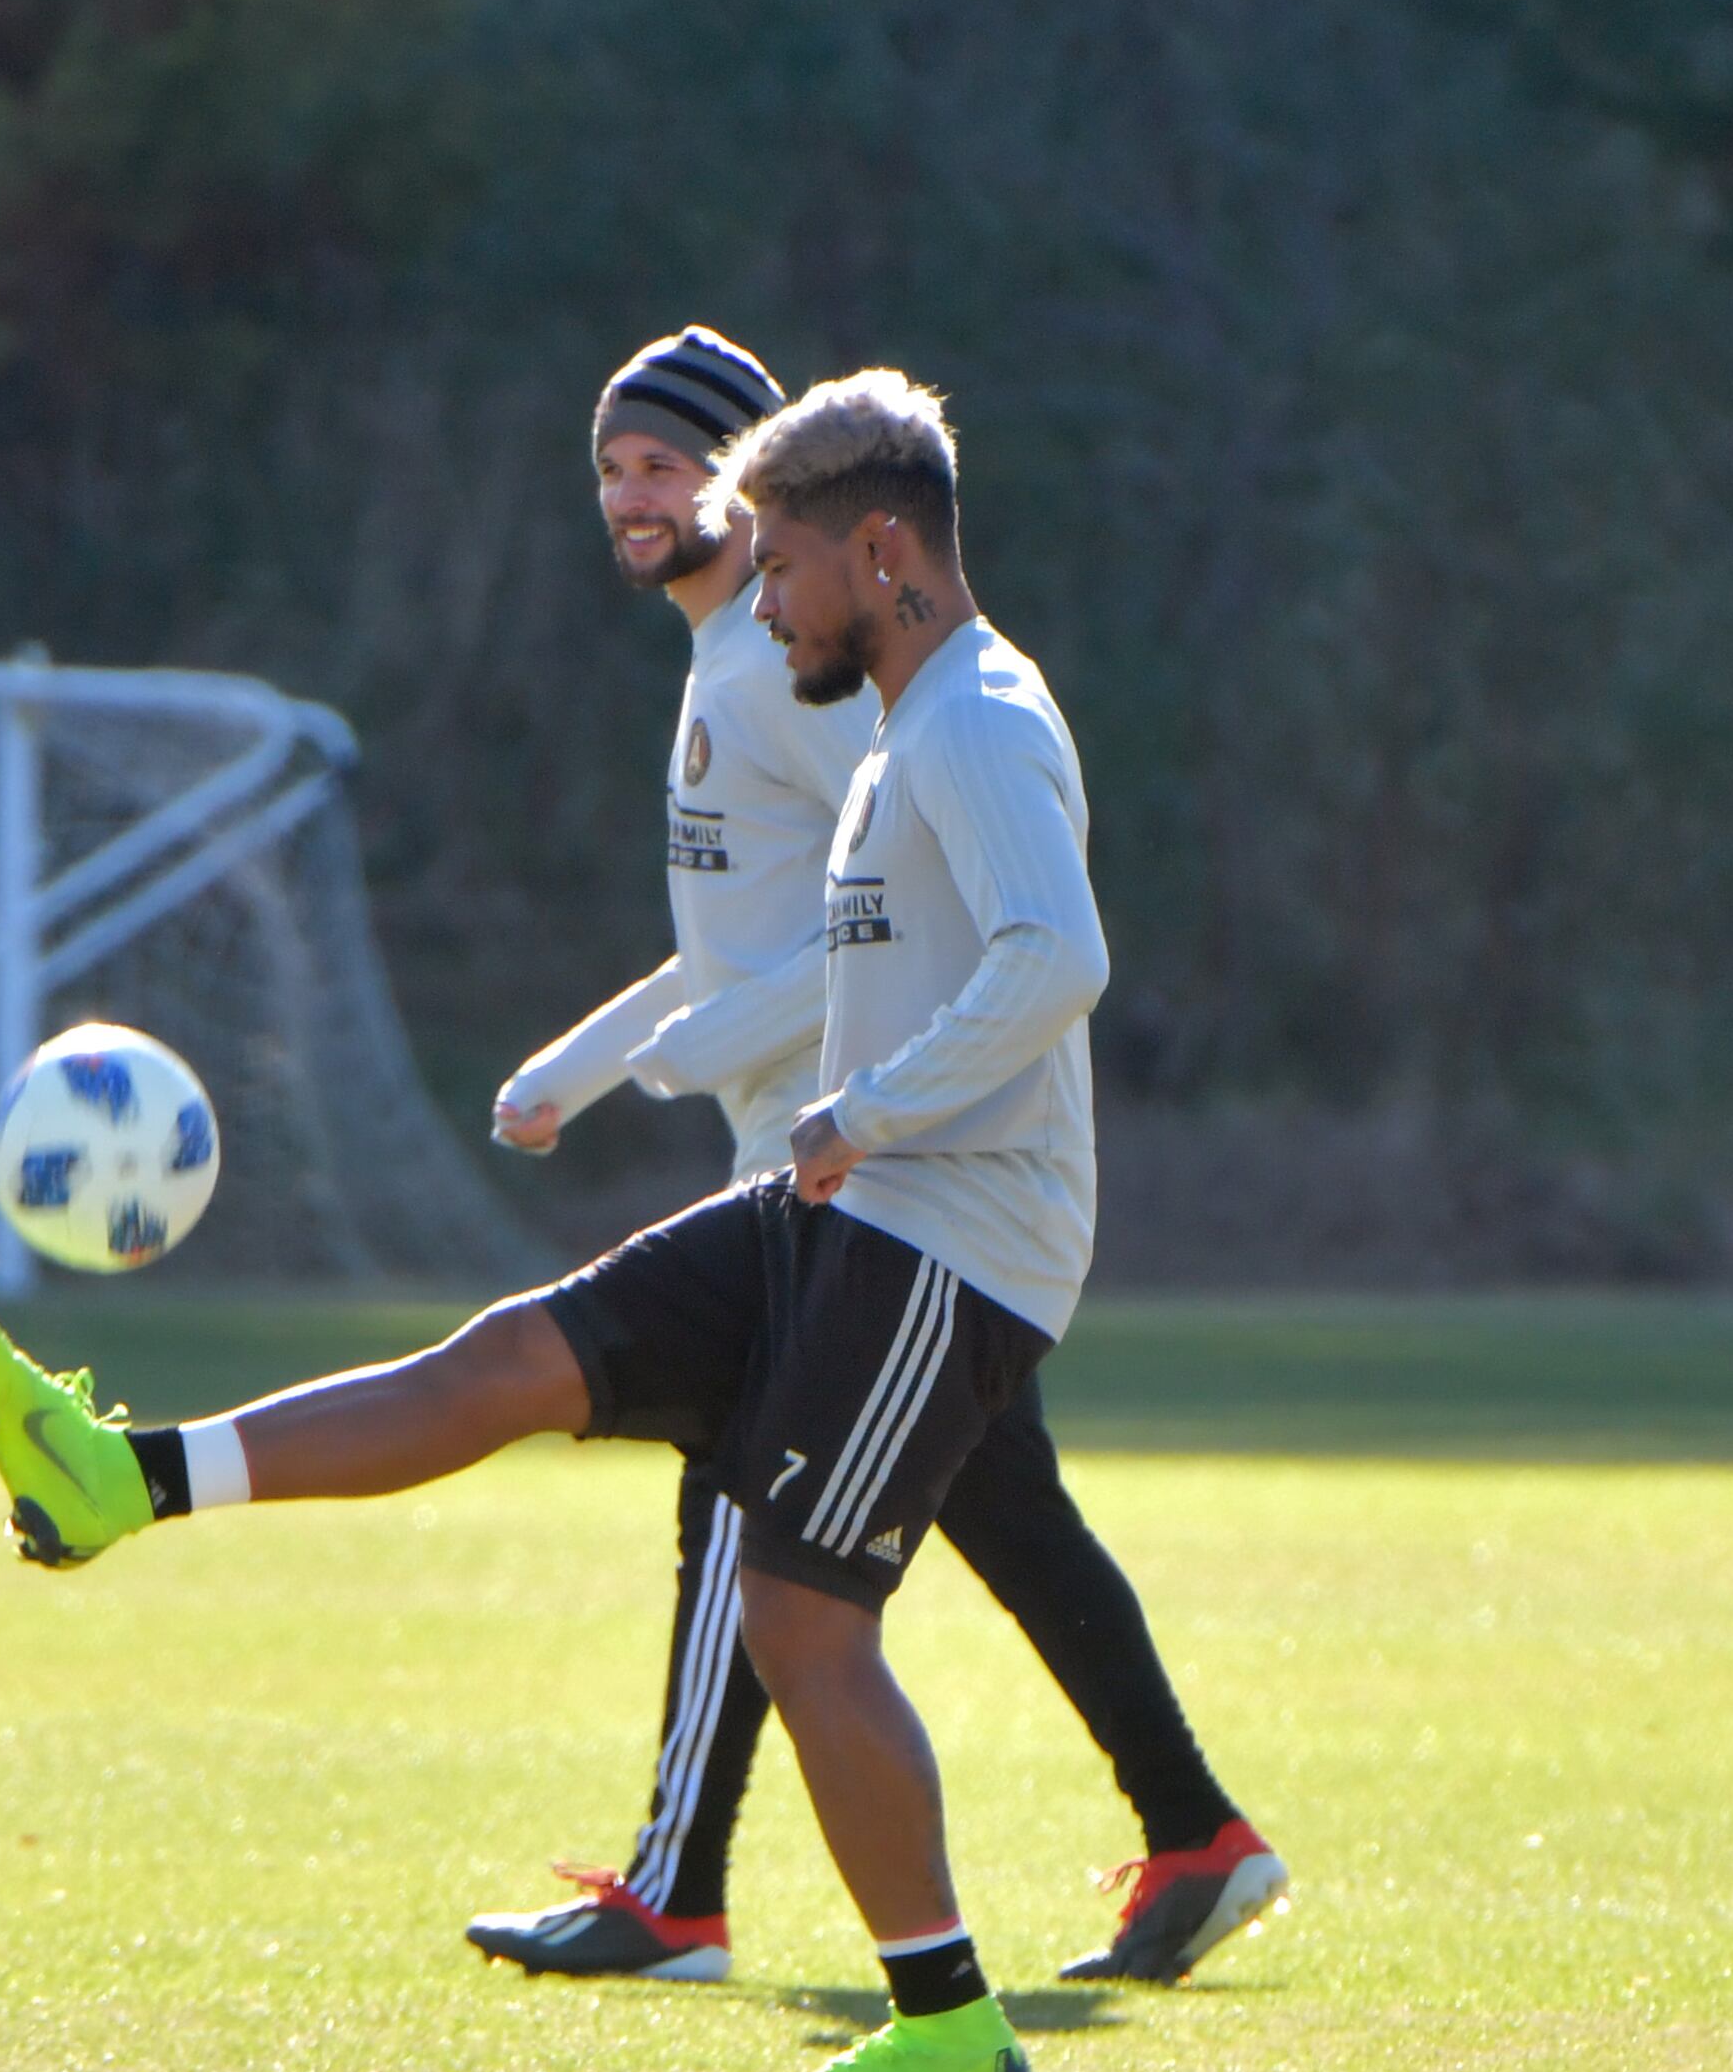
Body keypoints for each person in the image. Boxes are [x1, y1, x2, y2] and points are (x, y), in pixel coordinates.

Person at [0, 369, 1132, 2072]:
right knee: (516, 1356)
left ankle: (947, 2021)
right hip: (847, 1203)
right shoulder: (895, 721)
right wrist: (665, 1079)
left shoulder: (975, 716)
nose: (768, 596)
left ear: (881, 551)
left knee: (804, 1616)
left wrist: (862, 1106)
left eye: (787, 565)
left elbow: (1057, 960)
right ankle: (127, 1478)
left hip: (955, 1236)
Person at [472, 332, 1281, 1988]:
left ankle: (680, 1885)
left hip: (869, 1163)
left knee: (762, 1505)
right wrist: (589, 1064)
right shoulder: (732, 658)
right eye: (608, 467)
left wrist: (792, 1080)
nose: (631, 496)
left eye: (664, 467)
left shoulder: (816, 673)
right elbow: (763, 938)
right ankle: (1195, 1828)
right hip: (868, 1159)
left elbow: (916, 916)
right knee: (996, 1512)